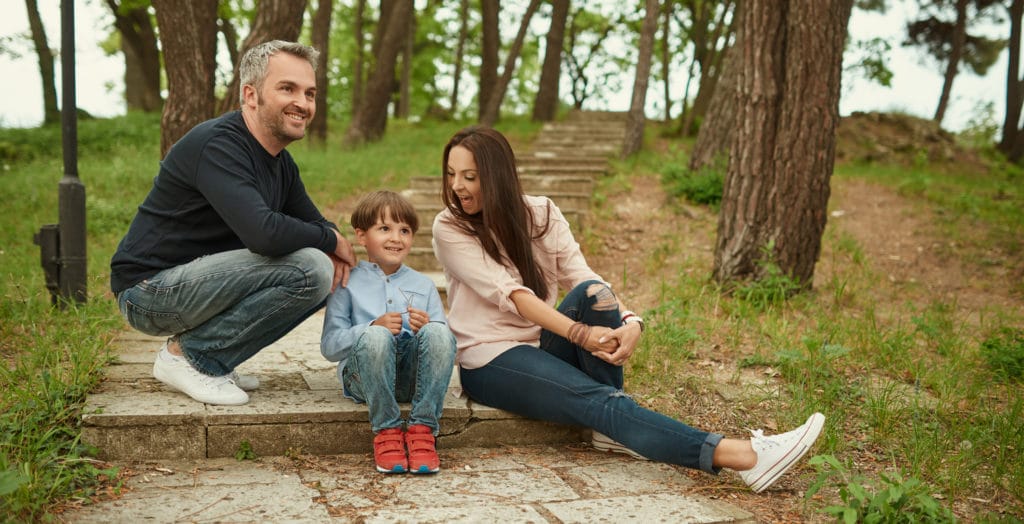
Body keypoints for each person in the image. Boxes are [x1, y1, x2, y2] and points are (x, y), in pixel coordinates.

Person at [431, 125, 826, 493]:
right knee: (598, 400)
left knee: (594, 293)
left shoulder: (542, 213)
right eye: (452, 174)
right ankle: (743, 456)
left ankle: (611, 427)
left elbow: (585, 278)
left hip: (541, 344)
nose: (457, 186)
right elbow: (515, 296)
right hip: (491, 360)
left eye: (470, 176)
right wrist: (581, 334)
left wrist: (631, 321)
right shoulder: (450, 227)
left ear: (497, 175)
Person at [110, 40, 355, 406]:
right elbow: (264, 234)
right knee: (311, 268)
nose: (303, 103)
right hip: (149, 291)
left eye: (310, 93)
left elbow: (314, 221)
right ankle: (187, 358)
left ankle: (215, 358)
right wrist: (329, 241)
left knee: (323, 272)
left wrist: (330, 236)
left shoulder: (281, 163)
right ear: (250, 94)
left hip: (197, 283)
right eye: (287, 88)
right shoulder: (219, 144)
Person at [321, 190, 457, 474]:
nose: (396, 238)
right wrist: (371, 327)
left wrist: (428, 327)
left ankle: (422, 431)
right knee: (377, 336)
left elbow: (444, 347)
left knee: (440, 332)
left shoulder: (423, 284)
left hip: (411, 379)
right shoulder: (346, 282)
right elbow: (330, 346)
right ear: (361, 236)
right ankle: (387, 431)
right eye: (385, 228)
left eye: (404, 230)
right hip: (362, 377)